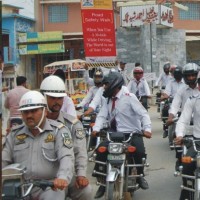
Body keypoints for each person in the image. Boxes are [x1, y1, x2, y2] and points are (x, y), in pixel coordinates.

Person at [2, 91, 74, 200]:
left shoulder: (59, 131)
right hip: (20, 186)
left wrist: (62, 178)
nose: (29, 115)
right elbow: (4, 160)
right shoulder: (14, 134)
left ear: (44, 111)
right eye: (25, 112)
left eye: (34, 111)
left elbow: (66, 157)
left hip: (50, 186)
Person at [92, 71, 152, 198]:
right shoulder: (108, 100)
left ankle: (139, 176)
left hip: (132, 133)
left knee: (139, 151)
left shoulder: (129, 97)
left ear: (115, 84)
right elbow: (102, 115)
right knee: (100, 151)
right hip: (113, 134)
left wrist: (147, 129)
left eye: (106, 84)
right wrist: (96, 129)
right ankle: (103, 182)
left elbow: (143, 114)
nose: (104, 87)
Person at [40, 75, 92, 200]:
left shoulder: (72, 124)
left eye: (60, 98)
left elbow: (80, 151)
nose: (57, 102)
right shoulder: (36, 124)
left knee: (87, 192)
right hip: (45, 179)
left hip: (70, 176)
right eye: (53, 98)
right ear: (43, 98)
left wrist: (81, 174)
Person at [166, 63, 200, 171]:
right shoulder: (185, 92)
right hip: (187, 121)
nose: (191, 78)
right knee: (180, 139)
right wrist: (171, 116)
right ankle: (180, 159)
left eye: (193, 75)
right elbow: (176, 103)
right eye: (188, 75)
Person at [174, 70, 200, 200]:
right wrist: (179, 135)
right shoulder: (193, 100)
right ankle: (186, 196)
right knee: (187, 167)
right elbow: (183, 120)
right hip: (197, 142)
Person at [160, 66, 185, 139]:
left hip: (184, 103)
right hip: (173, 103)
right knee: (169, 112)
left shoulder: (186, 82)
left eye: (179, 73)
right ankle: (166, 128)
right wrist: (165, 96)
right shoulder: (170, 82)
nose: (177, 75)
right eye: (176, 74)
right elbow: (167, 92)